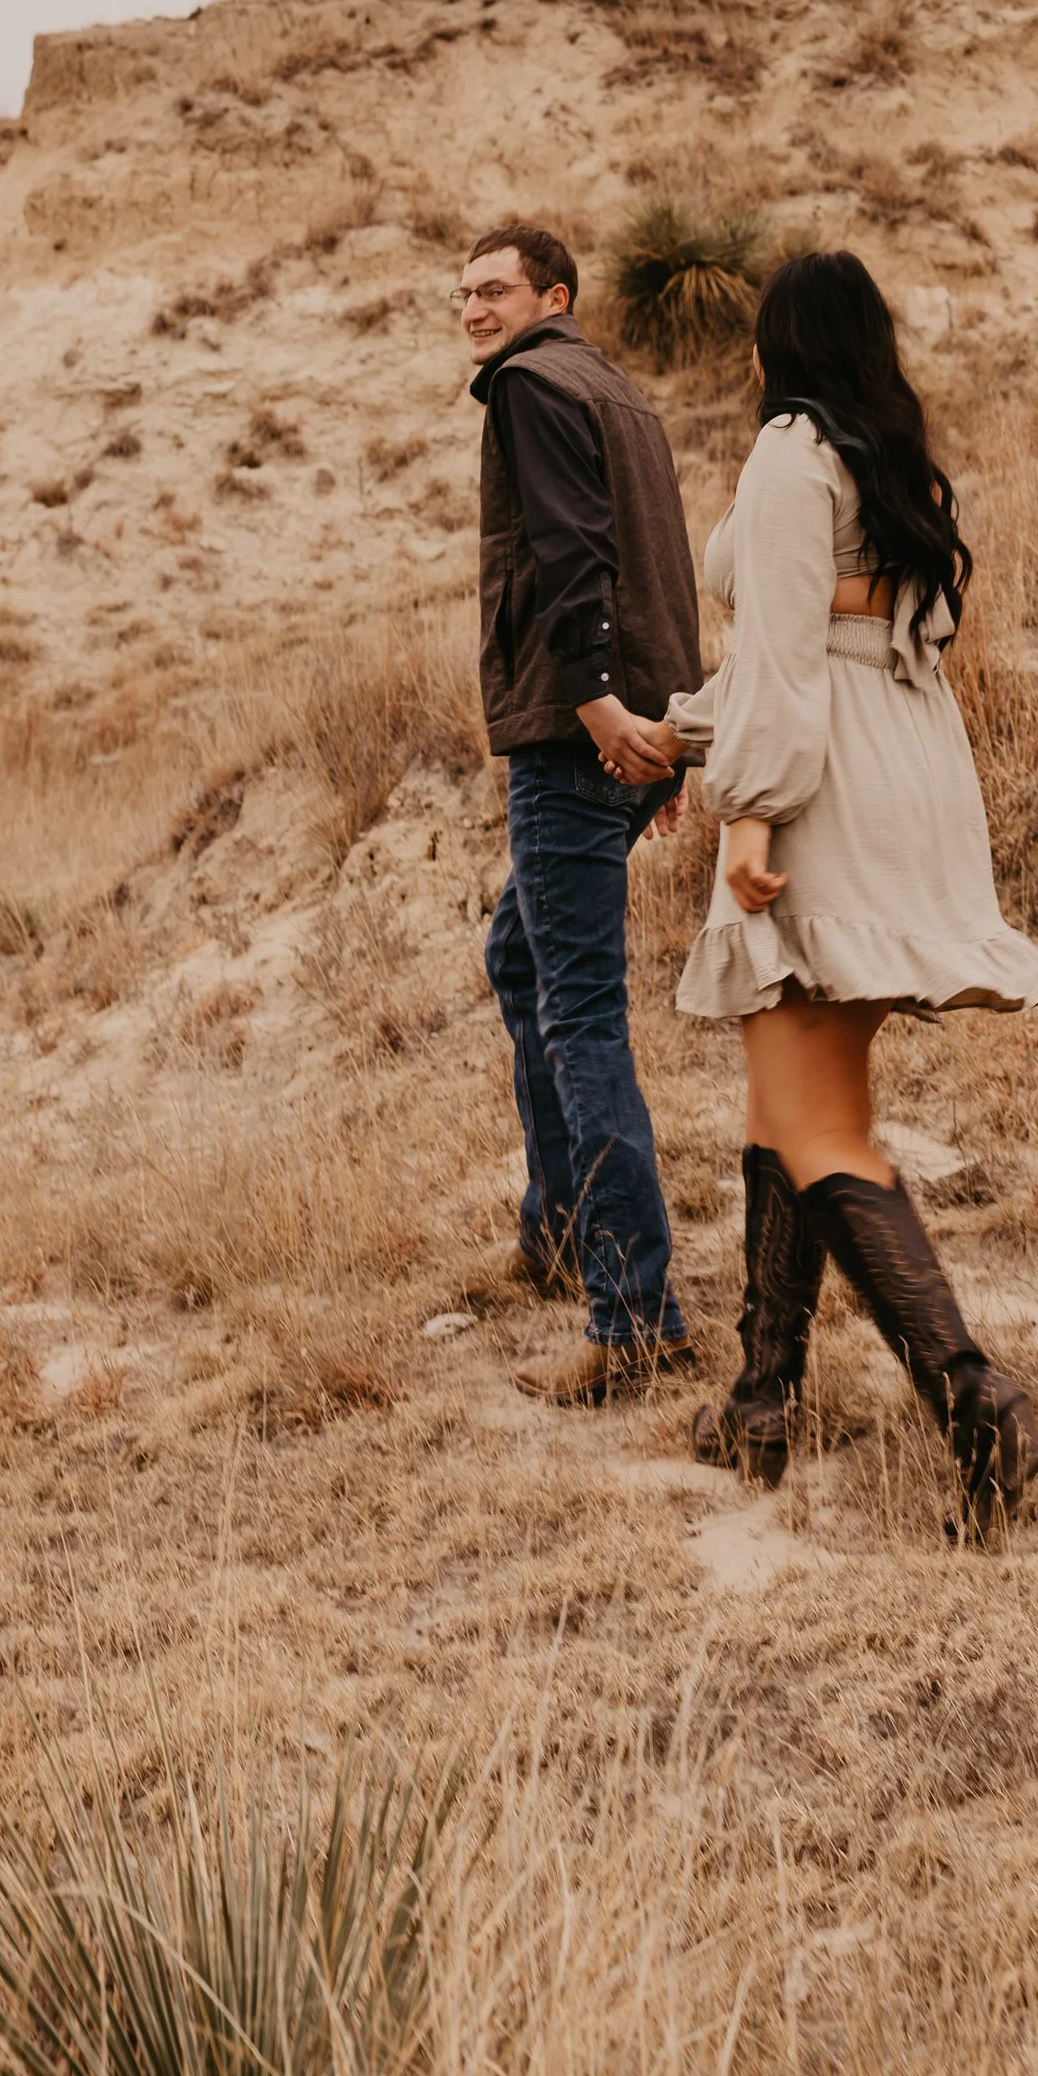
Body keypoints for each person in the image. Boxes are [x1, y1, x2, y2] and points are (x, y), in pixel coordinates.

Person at [661, 249, 1038, 1527]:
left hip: (817, 794)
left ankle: (979, 1404)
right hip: (909, 775)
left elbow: (782, 655)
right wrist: (691, 729)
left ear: (778, 347)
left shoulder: (788, 455)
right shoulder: (882, 459)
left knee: (816, 1122)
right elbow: (853, 635)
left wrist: (748, 812)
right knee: (794, 1102)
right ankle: (761, 1398)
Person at [461, 220, 702, 1403]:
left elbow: (575, 557)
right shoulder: (621, 393)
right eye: (462, 293)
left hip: (579, 739)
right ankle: (557, 1235)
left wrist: (603, 710)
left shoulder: (529, 384)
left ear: (552, 294)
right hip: (635, 734)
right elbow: (664, 568)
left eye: (495, 289)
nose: (474, 309)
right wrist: (668, 744)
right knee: (520, 959)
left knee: (580, 1017)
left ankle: (634, 1318)